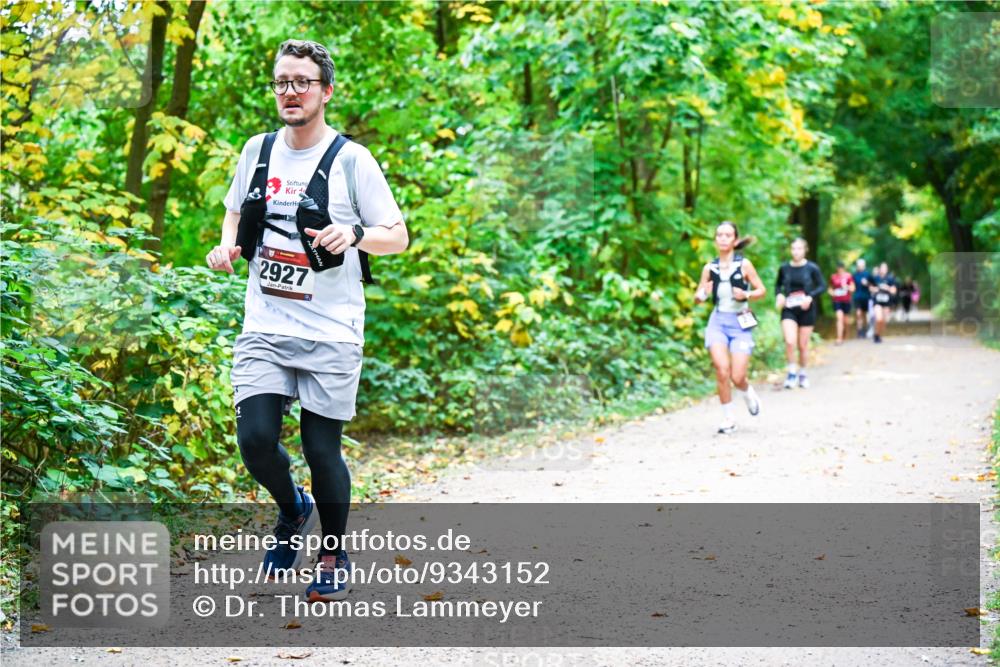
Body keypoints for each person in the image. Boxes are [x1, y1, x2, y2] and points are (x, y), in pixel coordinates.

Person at [206, 40, 408, 602]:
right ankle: (294, 508)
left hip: (331, 330)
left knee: (322, 450)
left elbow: (397, 235)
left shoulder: (352, 160)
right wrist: (227, 246)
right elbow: (234, 212)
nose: (290, 92)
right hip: (266, 324)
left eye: (302, 82)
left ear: (326, 91)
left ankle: (334, 554)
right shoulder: (258, 150)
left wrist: (356, 234)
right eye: (282, 82)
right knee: (255, 440)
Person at [694, 221, 767, 435]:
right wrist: (703, 294)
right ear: (715, 240)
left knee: (737, 376)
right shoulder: (710, 268)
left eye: (728, 235)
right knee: (722, 370)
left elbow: (761, 290)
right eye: (719, 235)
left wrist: (747, 294)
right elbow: (697, 297)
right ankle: (728, 418)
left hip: (740, 322)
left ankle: (747, 392)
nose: (723, 238)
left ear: (735, 240)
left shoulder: (744, 265)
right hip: (717, 322)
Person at [775, 238, 826, 389]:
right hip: (789, 308)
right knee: (790, 341)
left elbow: (822, 286)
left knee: (803, 345)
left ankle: (802, 373)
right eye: (793, 248)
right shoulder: (784, 268)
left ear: (805, 250)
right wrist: (779, 295)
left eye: (799, 248)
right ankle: (792, 372)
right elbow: (778, 285)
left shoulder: (812, 268)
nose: (796, 252)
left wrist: (810, 297)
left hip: (806, 309)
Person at [827, 262, 855, 345]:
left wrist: (846, 287)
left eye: (841, 268)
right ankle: (839, 338)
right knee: (839, 318)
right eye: (838, 268)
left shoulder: (848, 276)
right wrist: (831, 292)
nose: (839, 270)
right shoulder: (833, 277)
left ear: (843, 268)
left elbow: (853, 288)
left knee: (845, 321)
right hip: (837, 300)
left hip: (846, 300)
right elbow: (830, 288)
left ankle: (845, 333)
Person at [870, 262, 896, 343]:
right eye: (882, 268)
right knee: (879, 319)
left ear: (887, 269)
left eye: (885, 268)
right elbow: (870, 288)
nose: (883, 270)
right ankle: (876, 334)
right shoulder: (875, 278)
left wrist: (887, 288)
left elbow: (894, 291)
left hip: (886, 302)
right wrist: (876, 289)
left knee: (883, 321)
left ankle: (878, 335)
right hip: (877, 301)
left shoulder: (890, 278)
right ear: (880, 269)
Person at [851, 258, 871, 339]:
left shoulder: (868, 274)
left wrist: (867, 283)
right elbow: (852, 286)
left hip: (866, 297)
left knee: (864, 314)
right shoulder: (854, 275)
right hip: (857, 297)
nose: (860, 267)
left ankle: (865, 330)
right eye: (859, 265)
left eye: (861, 265)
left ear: (864, 266)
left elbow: (873, 285)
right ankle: (859, 331)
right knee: (858, 314)